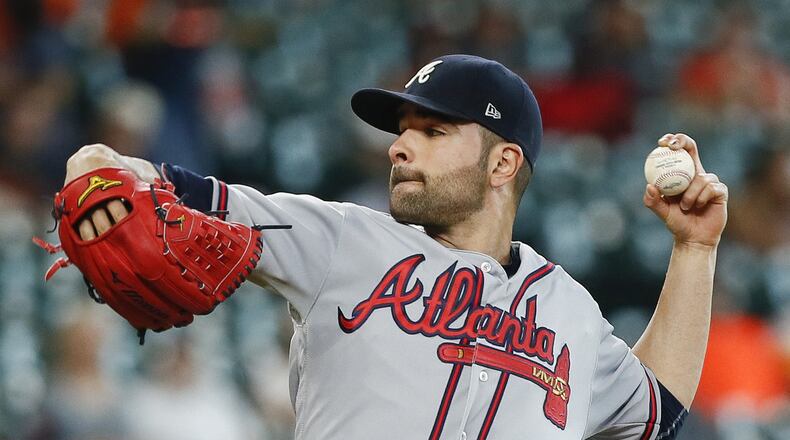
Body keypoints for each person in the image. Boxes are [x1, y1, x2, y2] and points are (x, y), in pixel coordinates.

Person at [63, 54, 728, 439]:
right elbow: (138, 177)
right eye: (402, 129)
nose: (399, 145)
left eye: (433, 131)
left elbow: (656, 408)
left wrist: (694, 252)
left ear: (503, 165)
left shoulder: (572, 314)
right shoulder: (339, 239)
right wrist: (89, 168)